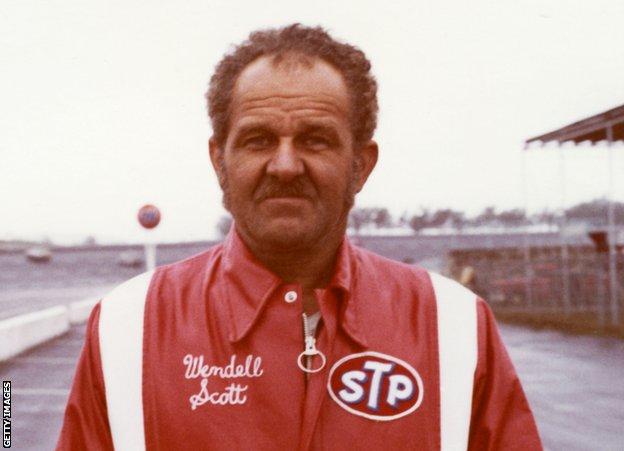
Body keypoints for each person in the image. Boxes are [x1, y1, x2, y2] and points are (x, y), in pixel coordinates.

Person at [57, 24, 542, 450]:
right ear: (219, 161)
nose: (285, 166)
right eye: (258, 139)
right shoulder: (127, 328)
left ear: (361, 165)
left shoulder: (454, 325)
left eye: (315, 139)